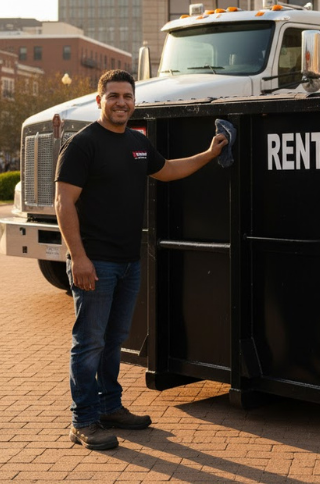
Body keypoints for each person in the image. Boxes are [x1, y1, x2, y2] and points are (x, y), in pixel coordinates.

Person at [55, 69, 227, 450]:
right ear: (99, 100)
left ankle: (110, 407)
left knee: (113, 339)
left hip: (129, 261)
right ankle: (83, 421)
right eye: (113, 96)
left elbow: (167, 171)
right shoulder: (83, 144)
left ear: (135, 101)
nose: (121, 103)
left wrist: (210, 154)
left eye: (127, 97)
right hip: (94, 262)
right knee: (89, 342)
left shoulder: (137, 142)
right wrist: (78, 257)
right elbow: (63, 202)